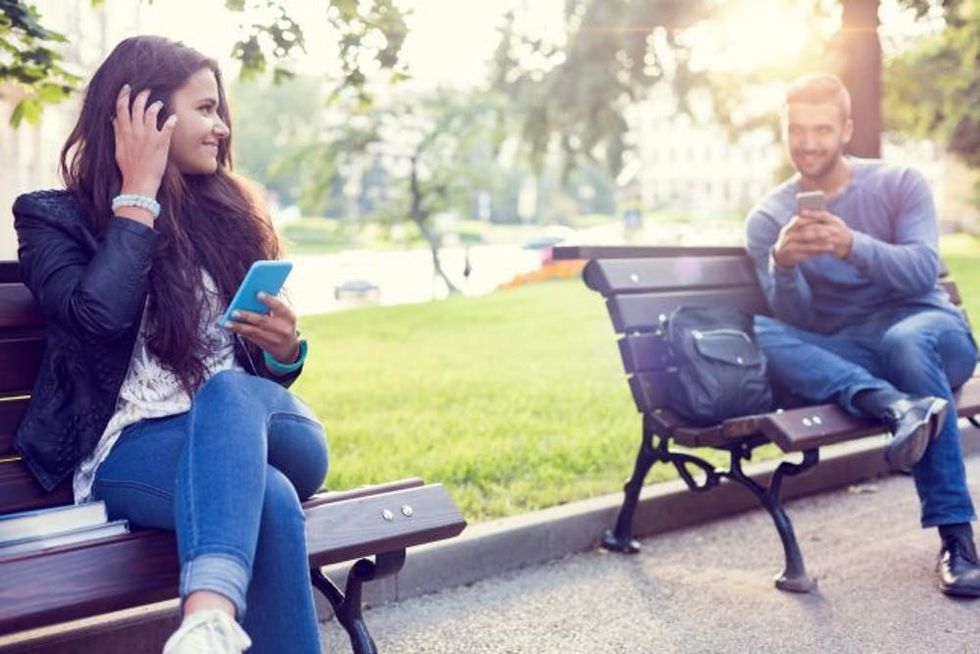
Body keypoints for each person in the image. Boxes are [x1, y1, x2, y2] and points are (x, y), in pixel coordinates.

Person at [13, 36, 329, 652]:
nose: (220, 128)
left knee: (232, 391)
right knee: (266, 498)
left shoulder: (232, 212)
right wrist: (139, 192)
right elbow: (97, 319)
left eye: (220, 111)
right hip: (134, 450)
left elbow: (259, 375)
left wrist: (284, 350)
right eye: (204, 109)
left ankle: (207, 610)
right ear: (146, 115)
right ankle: (209, 624)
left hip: (264, 427)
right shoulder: (52, 219)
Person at [745, 72, 980, 597]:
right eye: (797, 130)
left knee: (905, 344)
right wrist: (782, 265)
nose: (808, 143)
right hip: (853, 349)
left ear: (846, 130)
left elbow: (923, 270)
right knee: (758, 331)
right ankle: (897, 407)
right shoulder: (768, 218)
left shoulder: (899, 184)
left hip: (930, 331)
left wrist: (853, 245)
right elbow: (800, 321)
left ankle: (957, 540)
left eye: (822, 129)